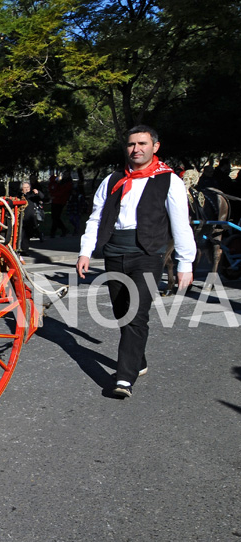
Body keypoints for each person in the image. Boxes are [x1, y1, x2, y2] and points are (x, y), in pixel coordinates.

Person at [76, 125, 195, 398]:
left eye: (142, 143)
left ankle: (124, 379)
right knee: (121, 312)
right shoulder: (113, 179)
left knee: (136, 314)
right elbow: (96, 218)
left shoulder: (169, 180)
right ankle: (137, 360)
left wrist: (185, 263)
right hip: (115, 252)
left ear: (155, 146)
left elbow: (181, 225)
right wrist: (85, 251)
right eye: (131, 144)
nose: (136, 149)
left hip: (148, 255)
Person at [18, 181, 45, 251]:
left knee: (28, 233)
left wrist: (38, 192)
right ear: (22, 189)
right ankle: (23, 248)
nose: (27, 189)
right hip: (21, 216)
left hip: (30, 217)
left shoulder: (33, 195)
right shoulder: (19, 196)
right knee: (22, 233)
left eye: (28, 187)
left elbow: (43, 197)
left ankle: (24, 249)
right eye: (25, 187)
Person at [48, 171, 73, 237]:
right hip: (57, 200)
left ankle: (56, 231)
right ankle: (59, 230)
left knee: (56, 217)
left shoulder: (68, 183)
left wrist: (54, 195)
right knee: (55, 217)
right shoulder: (61, 182)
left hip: (61, 201)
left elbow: (63, 191)